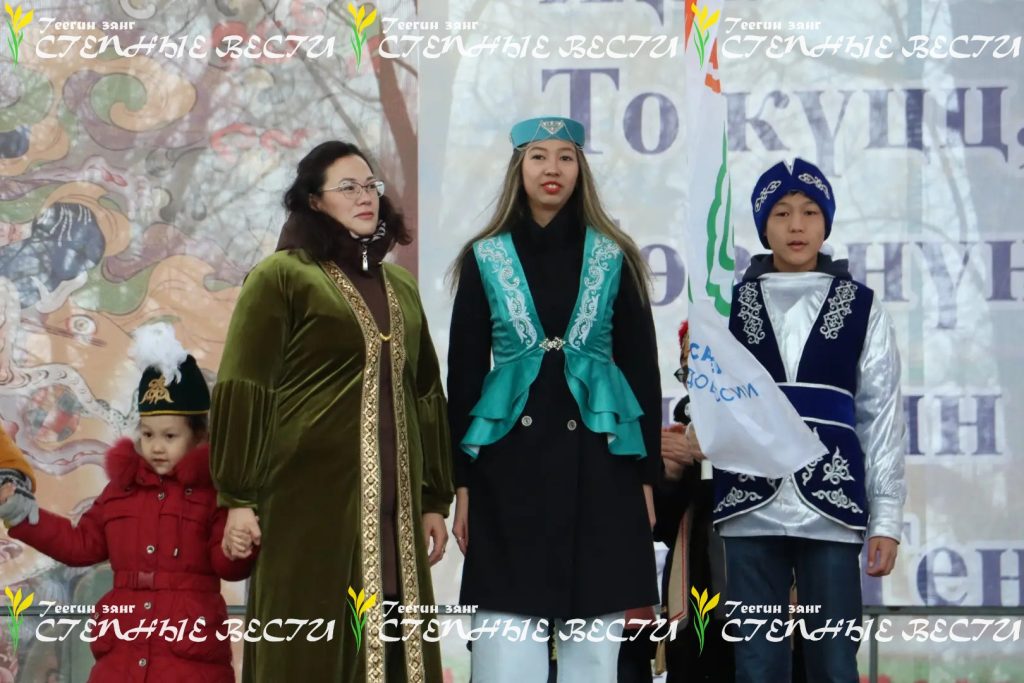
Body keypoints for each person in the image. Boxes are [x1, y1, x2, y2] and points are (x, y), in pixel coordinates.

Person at [210, 141, 454, 683]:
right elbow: (245, 386)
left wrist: (433, 497)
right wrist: (238, 498)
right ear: (314, 201)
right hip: (307, 509)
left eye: (370, 186)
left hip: (393, 513)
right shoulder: (281, 277)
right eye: (348, 187)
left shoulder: (401, 286)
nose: (365, 197)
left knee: (394, 648)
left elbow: (425, 394)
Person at [447, 116, 661, 682]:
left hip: (602, 470)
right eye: (538, 156)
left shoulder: (615, 255)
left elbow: (642, 373)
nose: (553, 169)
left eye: (566, 157)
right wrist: (462, 486)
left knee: (594, 657)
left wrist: (646, 480)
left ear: (580, 169)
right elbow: (463, 379)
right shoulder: (484, 257)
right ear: (518, 167)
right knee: (504, 655)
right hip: (506, 474)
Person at [707, 158, 906, 682]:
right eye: (781, 213)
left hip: (832, 506)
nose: (796, 225)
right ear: (763, 226)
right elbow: (710, 403)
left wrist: (886, 519)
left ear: (826, 223)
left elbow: (881, 417)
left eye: (810, 212)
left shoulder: (861, 307)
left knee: (835, 663)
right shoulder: (726, 306)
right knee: (755, 663)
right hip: (750, 501)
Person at [2, 322, 255, 682]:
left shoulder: (213, 493)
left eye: (170, 436)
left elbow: (227, 565)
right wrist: (21, 513)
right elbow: (81, 544)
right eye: (148, 434)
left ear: (198, 435)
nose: (156, 446)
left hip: (189, 659)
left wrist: (238, 546)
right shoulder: (121, 491)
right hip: (122, 656)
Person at [652, 321, 733, 682]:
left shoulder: (764, 428)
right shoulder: (681, 430)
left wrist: (720, 453)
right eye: (688, 374)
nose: (696, 384)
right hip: (693, 582)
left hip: (746, 577)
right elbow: (663, 528)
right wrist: (669, 475)